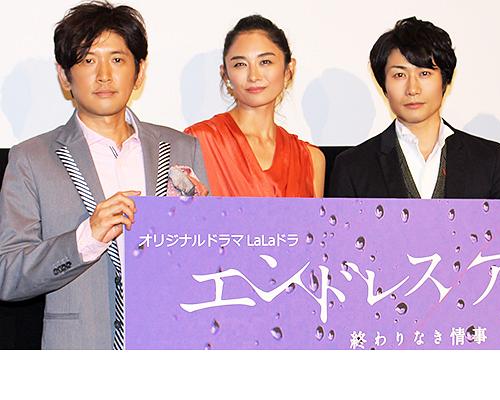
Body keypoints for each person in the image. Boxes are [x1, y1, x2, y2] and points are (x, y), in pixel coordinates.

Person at [0, 1, 209, 349]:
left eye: (117, 59)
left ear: (139, 71)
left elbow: (206, 257)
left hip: (169, 345)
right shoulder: (31, 159)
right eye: (87, 60)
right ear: (64, 75)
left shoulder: (181, 147)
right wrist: (88, 237)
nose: (103, 75)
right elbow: (8, 275)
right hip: (79, 352)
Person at [329, 17, 500, 199]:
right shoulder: (352, 167)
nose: (412, 89)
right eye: (399, 75)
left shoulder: (491, 161)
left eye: (424, 73)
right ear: (384, 86)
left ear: (444, 80)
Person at [185, 15, 325, 197]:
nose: (254, 76)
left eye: (265, 62)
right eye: (240, 64)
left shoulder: (311, 160)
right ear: (225, 75)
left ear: (289, 69)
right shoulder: (197, 142)